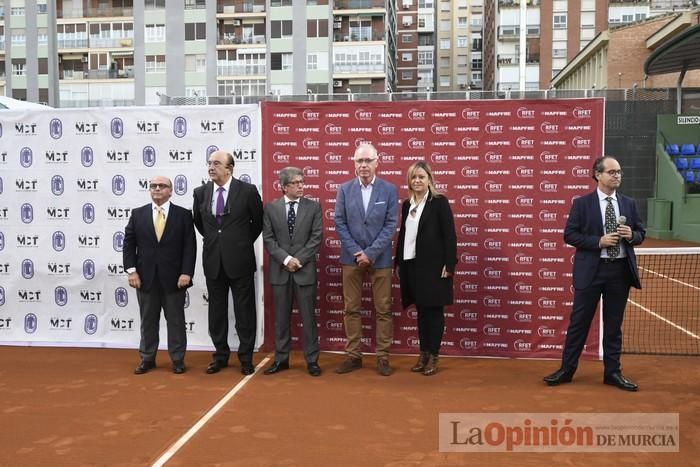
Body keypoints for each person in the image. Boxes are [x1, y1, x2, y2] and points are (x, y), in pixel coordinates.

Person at [544, 156, 645, 391]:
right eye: (611, 172)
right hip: (591, 272)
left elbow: (641, 233)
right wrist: (598, 241)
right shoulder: (582, 204)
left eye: (619, 172)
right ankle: (566, 370)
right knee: (579, 323)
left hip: (619, 273)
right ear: (597, 174)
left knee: (613, 326)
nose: (617, 176)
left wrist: (632, 235)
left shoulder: (629, 203)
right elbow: (570, 235)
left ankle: (613, 373)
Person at [193, 150, 264, 376]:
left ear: (230, 168)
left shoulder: (247, 191)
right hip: (213, 261)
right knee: (216, 312)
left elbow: (257, 223)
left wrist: (239, 243)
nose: (211, 167)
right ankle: (220, 355)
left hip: (240, 260)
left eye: (216, 163)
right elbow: (200, 223)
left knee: (244, 312)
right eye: (209, 163)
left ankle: (245, 357)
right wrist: (219, 242)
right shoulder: (200, 193)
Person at [334, 143, 398, 376]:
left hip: (380, 260)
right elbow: (339, 222)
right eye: (359, 161)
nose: (363, 165)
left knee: (383, 309)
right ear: (354, 163)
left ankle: (382, 357)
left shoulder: (389, 190)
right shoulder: (343, 189)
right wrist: (356, 252)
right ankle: (354, 355)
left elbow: (391, 224)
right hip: (351, 259)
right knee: (351, 308)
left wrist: (370, 253)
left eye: (368, 160)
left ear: (377, 161)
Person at [123, 176, 196, 375]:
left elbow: (190, 247)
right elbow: (129, 244)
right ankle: (147, 358)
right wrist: (131, 271)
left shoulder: (183, 215)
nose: (157, 189)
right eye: (153, 186)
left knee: (176, 321)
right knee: (147, 321)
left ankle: (178, 359)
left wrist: (186, 272)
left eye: (162, 186)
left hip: (175, 280)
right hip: (145, 279)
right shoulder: (138, 214)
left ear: (171, 191)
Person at [395, 161, 457, 376]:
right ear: (409, 181)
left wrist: (449, 265)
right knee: (421, 311)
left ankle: (434, 356)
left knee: (434, 312)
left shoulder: (439, 202)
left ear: (429, 178)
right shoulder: (406, 204)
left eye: (421, 176)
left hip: (435, 267)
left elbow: (450, 235)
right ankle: (423, 354)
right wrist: (398, 262)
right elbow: (403, 235)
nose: (418, 181)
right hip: (412, 264)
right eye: (414, 177)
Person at [262, 167, 323, 377]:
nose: (300, 186)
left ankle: (312, 360)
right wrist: (286, 259)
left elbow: (316, 238)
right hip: (280, 272)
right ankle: (281, 359)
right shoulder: (271, 209)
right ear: (284, 186)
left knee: (308, 318)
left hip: (304, 271)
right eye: (296, 183)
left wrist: (299, 260)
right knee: (281, 318)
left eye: (302, 182)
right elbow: (268, 239)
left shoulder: (313, 207)